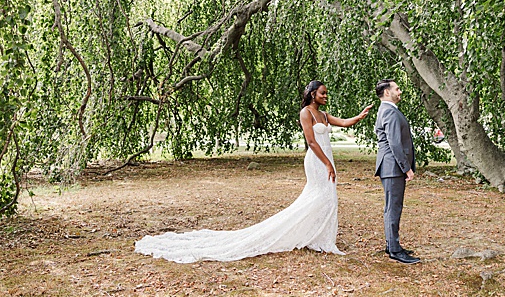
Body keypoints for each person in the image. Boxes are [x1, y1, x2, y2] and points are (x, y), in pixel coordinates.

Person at [134, 80, 375, 262]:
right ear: (313, 94)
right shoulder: (306, 113)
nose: (325, 96)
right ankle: (313, 235)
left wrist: (361, 115)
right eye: (322, 93)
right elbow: (311, 142)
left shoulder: (323, 114)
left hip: (326, 159)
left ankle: (319, 237)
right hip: (317, 160)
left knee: (327, 198)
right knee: (320, 197)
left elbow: (344, 122)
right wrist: (328, 164)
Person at [373, 80, 419, 264]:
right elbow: (394, 143)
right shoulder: (389, 111)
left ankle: (392, 244)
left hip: (391, 167)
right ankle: (394, 250)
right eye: (397, 89)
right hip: (392, 167)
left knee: (392, 207)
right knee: (393, 208)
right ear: (386, 92)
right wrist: (406, 168)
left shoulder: (388, 110)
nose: (400, 92)